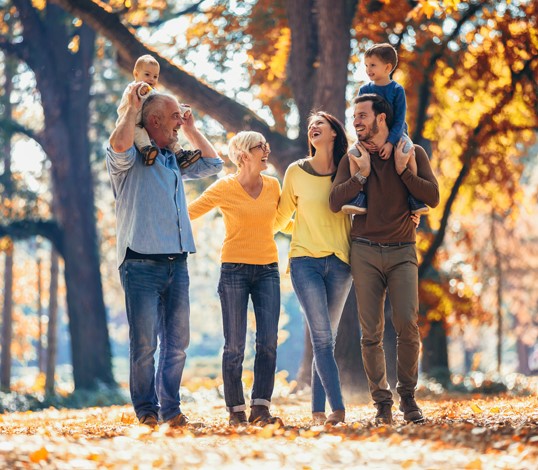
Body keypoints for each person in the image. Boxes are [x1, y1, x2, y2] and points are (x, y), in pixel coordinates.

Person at [107, 87, 224, 428]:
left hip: (177, 262)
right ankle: (146, 410)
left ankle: (170, 410)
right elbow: (117, 145)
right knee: (145, 345)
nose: (178, 122)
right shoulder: (130, 158)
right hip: (140, 262)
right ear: (154, 119)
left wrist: (190, 128)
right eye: (174, 117)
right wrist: (131, 109)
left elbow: (213, 164)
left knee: (177, 343)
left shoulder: (173, 160)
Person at [329, 94, 440, 425]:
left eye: (362, 115)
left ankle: (408, 397)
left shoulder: (412, 152)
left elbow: (432, 196)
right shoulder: (353, 157)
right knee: (371, 332)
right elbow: (336, 201)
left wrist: (404, 171)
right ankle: (382, 403)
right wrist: (360, 175)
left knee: (407, 323)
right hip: (364, 250)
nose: (356, 121)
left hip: (403, 249)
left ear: (381, 119)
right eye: (354, 116)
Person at [188, 131, 292, 427]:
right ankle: (236, 412)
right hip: (233, 270)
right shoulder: (225, 187)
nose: (267, 149)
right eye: (262, 146)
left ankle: (261, 408)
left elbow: (285, 221)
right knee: (234, 345)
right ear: (244, 155)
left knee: (268, 342)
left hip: (267, 271)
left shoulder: (273, 186)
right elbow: (190, 212)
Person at [276, 111, 352, 426]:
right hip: (304, 260)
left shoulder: (349, 169)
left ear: (334, 133)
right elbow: (279, 219)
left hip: (341, 263)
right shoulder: (295, 172)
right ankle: (338, 409)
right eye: (310, 126)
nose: (313, 128)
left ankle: (317, 411)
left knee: (326, 340)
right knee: (321, 337)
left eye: (320, 124)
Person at [342, 43, 428, 216]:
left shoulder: (396, 90)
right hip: (369, 134)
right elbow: (360, 116)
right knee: (354, 154)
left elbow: (399, 120)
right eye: (366, 65)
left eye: (372, 65)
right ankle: (359, 197)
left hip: (396, 134)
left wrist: (390, 143)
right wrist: (362, 141)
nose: (368, 69)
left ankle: (414, 197)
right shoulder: (365, 90)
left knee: (408, 151)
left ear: (387, 67)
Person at [116, 54, 199, 168]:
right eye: (147, 74)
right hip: (132, 122)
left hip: (146, 122)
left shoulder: (153, 91)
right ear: (136, 74)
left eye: (155, 76)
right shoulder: (134, 88)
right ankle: (146, 151)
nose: (151, 79)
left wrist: (181, 109)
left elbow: (165, 105)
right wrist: (142, 89)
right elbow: (140, 93)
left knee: (168, 132)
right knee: (139, 132)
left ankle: (180, 154)